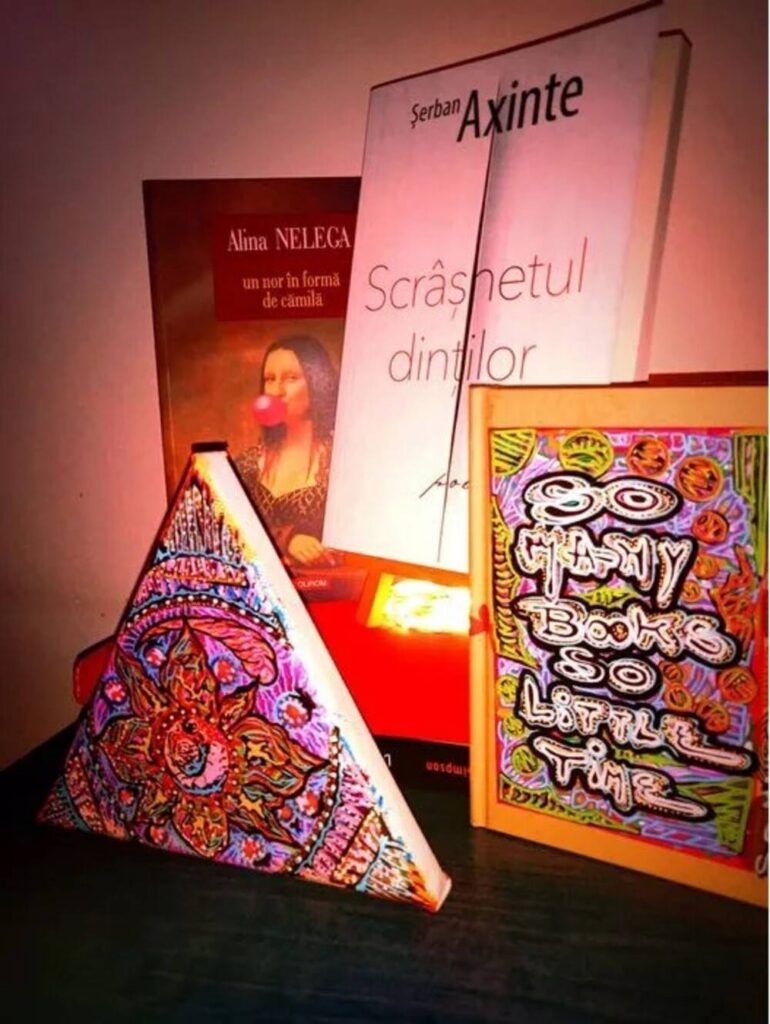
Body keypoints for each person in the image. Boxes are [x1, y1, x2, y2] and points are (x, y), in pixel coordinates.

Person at [236, 335, 338, 567]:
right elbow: (223, 531)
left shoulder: (341, 462)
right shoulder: (246, 465)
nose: (277, 391)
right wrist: (286, 540)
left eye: (291, 378)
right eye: (270, 379)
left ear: (317, 383)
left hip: (325, 586)